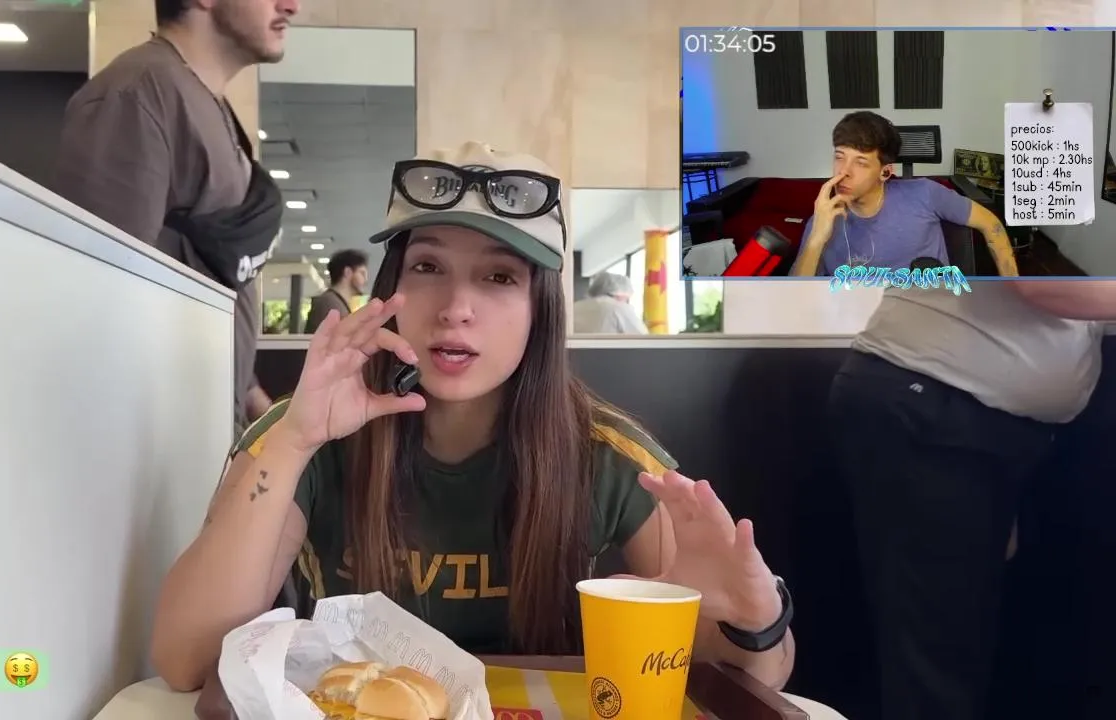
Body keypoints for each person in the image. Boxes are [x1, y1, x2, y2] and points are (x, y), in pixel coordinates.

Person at [151, 141, 796, 693]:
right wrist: (294, 442)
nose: (456, 307)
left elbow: (759, 676)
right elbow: (186, 661)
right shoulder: (303, 434)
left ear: (541, 310)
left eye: (499, 278)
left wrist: (754, 619)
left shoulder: (607, 456)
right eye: (428, 266)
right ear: (390, 289)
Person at [826, 281, 1112, 720]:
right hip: (933, 403)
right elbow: (1041, 282)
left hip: (971, 415)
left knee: (960, 649)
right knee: (938, 663)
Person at [52, 0, 301, 433]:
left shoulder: (206, 102)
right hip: (155, 440)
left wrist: (254, 403)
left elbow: (213, 273)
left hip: (210, 433)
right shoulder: (136, 96)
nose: (291, 5)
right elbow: (98, 310)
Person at [790, 111, 1019, 278]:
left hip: (923, 317)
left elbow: (991, 224)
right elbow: (795, 298)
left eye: (861, 162)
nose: (844, 172)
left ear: (885, 172)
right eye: (839, 157)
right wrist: (816, 238)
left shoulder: (925, 194)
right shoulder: (822, 220)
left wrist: (1012, 289)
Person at [303, 249, 369, 333]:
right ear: (347, 272)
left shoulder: (333, 301)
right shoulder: (329, 304)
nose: (366, 279)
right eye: (362, 273)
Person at [572, 272, 649, 334]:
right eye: (626, 299)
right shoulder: (619, 308)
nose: (626, 301)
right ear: (620, 294)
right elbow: (643, 338)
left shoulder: (574, 307)